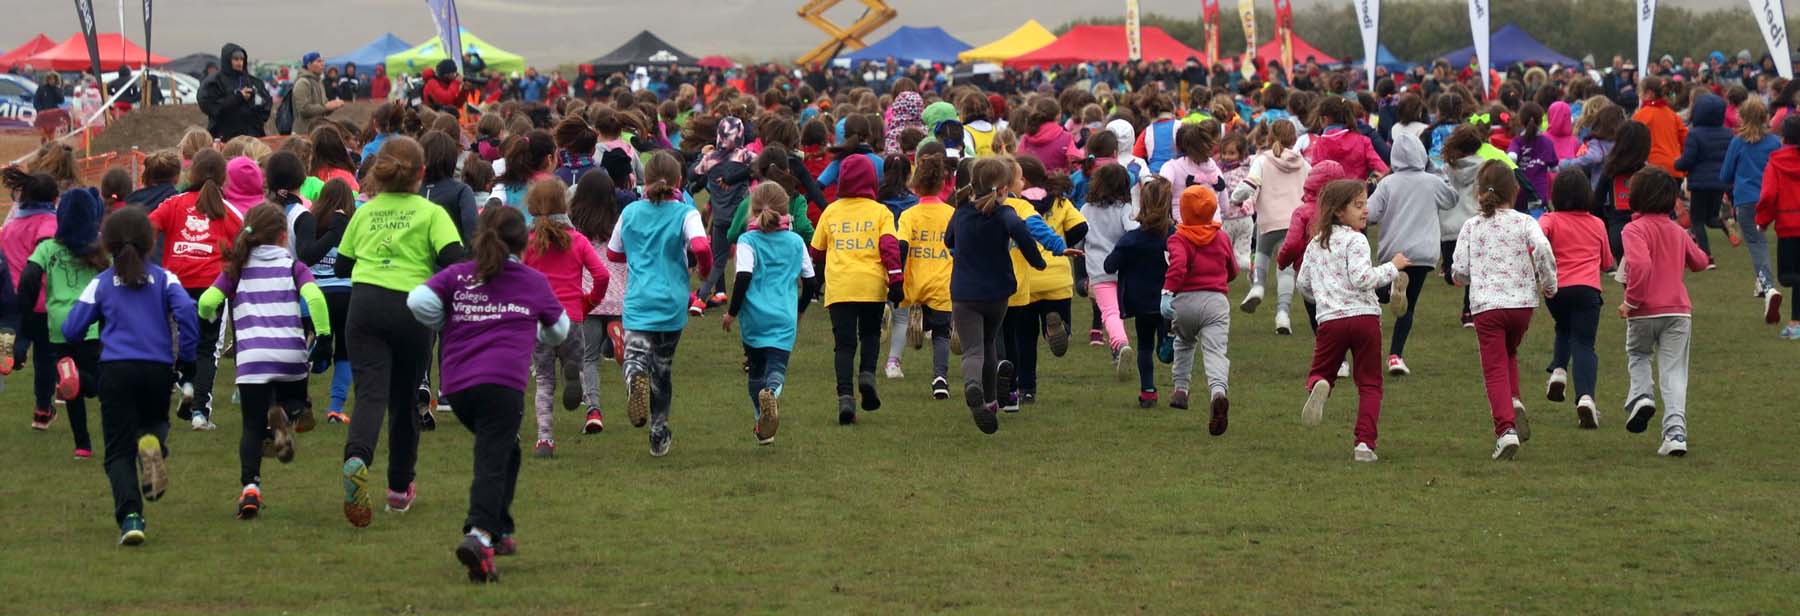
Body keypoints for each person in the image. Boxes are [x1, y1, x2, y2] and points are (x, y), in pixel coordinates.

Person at [408, 206, 566, 583]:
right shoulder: (531, 280)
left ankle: (500, 528)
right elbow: (558, 330)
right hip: (503, 385)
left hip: (458, 389)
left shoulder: (458, 275)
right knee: (492, 458)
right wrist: (534, 331)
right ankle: (479, 535)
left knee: (506, 451)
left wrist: (448, 319)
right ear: (523, 243)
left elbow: (416, 302)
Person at [335, 136, 467, 527]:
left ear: (378, 171)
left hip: (365, 306)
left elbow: (343, 266)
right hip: (413, 308)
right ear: (421, 173)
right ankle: (398, 489)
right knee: (406, 401)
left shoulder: (365, 212)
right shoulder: (431, 213)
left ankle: (357, 458)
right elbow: (454, 261)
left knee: (370, 395)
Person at [59, 208, 199, 546]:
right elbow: (186, 312)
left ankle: (131, 517)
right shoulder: (166, 278)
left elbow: (71, 328)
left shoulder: (102, 282)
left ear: (107, 245)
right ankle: (152, 445)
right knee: (153, 424)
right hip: (157, 369)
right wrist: (187, 360)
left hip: (116, 369)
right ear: (151, 243)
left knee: (118, 452)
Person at [196, 204, 332, 518]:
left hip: (252, 361)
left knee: (252, 428)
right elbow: (315, 297)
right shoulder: (293, 266)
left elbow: (206, 301)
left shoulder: (235, 270)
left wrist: (206, 317)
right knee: (298, 401)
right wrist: (323, 335)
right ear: (284, 236)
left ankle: (250, 490)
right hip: (290, 355)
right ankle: (286, 413)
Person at [605, 151, 712, 457]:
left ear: (642, 180)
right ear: (679, 180)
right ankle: (657, 431)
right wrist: (704, 271)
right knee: (662, 369)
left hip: (639, 298)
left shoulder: (631, 213)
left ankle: (635, 377)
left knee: (635, 358)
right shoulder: (685, 213)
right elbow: (701, 246)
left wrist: (638, 254)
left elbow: (614, 254)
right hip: (672, 301)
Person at [1451, 161, 1559, 461]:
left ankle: (1505, 429)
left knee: (1494, 366)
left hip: (1487, 307)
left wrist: (1467, 276)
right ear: (1514, 191)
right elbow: (1543, 249)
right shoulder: (1525, 222)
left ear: (1478, 191)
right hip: (1521, 306)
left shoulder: (1472, 226)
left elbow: (1458, 270)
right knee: (1509, 352)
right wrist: (1549, 283)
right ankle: (1513, 399)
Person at [1294, 180, 1406, 463]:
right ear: (1338, 211)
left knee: (1321, 371)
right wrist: (1393, 267)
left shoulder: (1315, 244)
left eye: (1365, 204)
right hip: (1364, 319)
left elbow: (1303, 284)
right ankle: (1364, 444)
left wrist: (1322, 296)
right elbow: (1362, 278)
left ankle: (1320, 384)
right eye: (1358, 205)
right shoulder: (1356, 240)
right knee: (1369, 383)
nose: (1365, 210)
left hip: (1330, 321)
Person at [946, 157, 1049, 433]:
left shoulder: (962, 212)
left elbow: (948, 240)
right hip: (997, 292)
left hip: (964, 292)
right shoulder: (1005, 214)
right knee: (990, 342)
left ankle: (972, 385)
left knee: (973, 349)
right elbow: (1023, 235)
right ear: (1004, 188)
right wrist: (1037, 261)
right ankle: (990, 402)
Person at [146, 149, 242, 429]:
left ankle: (181, 386)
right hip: (213, 287)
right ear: (224, 178)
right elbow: (245, 245)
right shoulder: (229, 211)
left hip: (175, 286)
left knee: (172, 343)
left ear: (192, 172)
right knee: (207, 347)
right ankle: (200, 413)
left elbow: (147, 227)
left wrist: (147, 261)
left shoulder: (173, 204)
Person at [1619, 168, 1709, 456]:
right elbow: (1700, 261)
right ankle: (1675, 433)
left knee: (1638, 355)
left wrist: (1631, 301)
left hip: (1643, 311)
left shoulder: (1633, 229)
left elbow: (1641, 266)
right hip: (1678, 312)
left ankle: (1643, 395)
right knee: (1674, 372)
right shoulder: (1677, 231)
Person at [810, 154, 902, 425]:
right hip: (871, 284)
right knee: (871, 334)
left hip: (839, 287)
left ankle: (845, 398)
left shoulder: (831, 211)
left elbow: (817, 251)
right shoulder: (880, 212)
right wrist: (896, 279)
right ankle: (867, 375)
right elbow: (889, 247)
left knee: (844, 344)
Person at [17, 188, 107, 460]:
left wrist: (26, 311)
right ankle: (83, 382)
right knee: (98, 382)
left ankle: (83, 445)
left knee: (72, 392)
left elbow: (28, 279)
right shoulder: (100, 250)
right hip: (90, 325)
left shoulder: (48, 248)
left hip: (58, 327)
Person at [724, 183, 818, 445]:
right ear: (784, 209)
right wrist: (800, 310)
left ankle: (761, 423)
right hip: (784, 316)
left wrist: (731, 313)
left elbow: (743, 277)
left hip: (754, 317)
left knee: (755, 370)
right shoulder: (796, 241)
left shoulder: (747, 240)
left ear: (752, 210)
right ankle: (772, 393)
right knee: (777, 368)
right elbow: (811, 283)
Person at [521, 179, 607, 457]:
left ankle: (545, 439)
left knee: (544, 381)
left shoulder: (528, 242)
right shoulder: (578, 240)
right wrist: (590, 301)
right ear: (565, 204)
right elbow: (602, 275)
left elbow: (515, 278)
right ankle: (575, 380)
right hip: (571, 316)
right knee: (579, 363)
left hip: (540, 320)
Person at [1368, 133, 1456, 375]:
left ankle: (1385, 291)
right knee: (1409, 307)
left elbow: (1371, 213)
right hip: (1423, 253)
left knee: (1383, 290)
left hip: (1394, 251)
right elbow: (1451, 200)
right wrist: (1437, 172)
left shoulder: (1388, 183)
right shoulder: (1432, 182)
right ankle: (1396, 356)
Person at [1538, 169, 1612, 428]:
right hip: (1587, 290)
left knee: (1563, 327)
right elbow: (1607, 262)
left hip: (1557, 289)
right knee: (1584, 343)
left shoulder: (1549, 220)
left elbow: (1534, 243)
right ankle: (1586, 398)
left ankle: (1559, 371)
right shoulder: (1597, 224)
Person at [1161, 185, 1235, 431]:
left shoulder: (1178, 238)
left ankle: (1181, 389)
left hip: (1185, 301)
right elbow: (1232, 268)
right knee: (1215, 351)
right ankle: (1217, 392)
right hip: (1215, 301)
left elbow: (1179, 265)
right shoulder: (1221, 237)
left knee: (1183, 343)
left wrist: (1167, 292)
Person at [1105, 177, 1176, 407]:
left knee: (1144, 347)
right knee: (1164, 338)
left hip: (1140, 301)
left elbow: (1109, 265)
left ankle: (1148, 391)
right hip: (1169, 299)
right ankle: (1167, 341)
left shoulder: (1132, 239)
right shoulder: (1175, 237)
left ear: (1142, 204)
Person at [1234, 120, 1310, 334]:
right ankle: (1283, 315)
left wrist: (1235, 197)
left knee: (1262, 254)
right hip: (1295, 223)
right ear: (1294, 139)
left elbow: (1251, 183)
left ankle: (1258, 286)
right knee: (1285, 269)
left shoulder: (1262, 160)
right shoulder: (1303, 164)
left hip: (1268, 221)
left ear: (1269, 138)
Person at [895, 145, 956, 399]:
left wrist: (895, 277)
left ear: (915, 184)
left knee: (917, 323)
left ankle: (917, 323)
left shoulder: (909, 215)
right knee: (942, 335)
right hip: (943, 282)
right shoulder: (952, 214)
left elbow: (902, 246)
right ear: (943, 183)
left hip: (915, 283)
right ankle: (940, 377)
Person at [2, 170, 61, 428]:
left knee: (19, 337)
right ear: (55, 197)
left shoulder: (9, 227)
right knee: (45, 358)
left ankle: (12, 352)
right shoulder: (50, 224)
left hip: (11, 300)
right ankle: (42, 409)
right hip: (42, 300)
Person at [569, 170, 626, 417]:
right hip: (618, 294)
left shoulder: (575, 226)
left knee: (589, 358)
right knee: (621, 350)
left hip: (590, 295)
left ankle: (593, 410)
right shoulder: (618, 222)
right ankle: (614, 342)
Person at [1722, 100, 1784, 321]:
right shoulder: (1775, 143)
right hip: (1773, 198)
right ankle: (1761, 283)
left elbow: (1725, 174)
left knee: (1757, 244)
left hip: (1747, 199)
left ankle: (1768, 287)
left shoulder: (1738, 143)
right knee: (1766, 240)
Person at [303, 179, 356, 424]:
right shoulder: (353, 224)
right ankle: (335, 408)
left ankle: (301, 400)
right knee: (345, 352)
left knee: (310, 343)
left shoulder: (310, 222)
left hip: (315, 295)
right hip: (346, 295)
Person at [688, 117, 756, 308]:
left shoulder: (711, 159)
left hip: (720, 218)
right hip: (743, 218)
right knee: (750, 259)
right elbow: (763, 165)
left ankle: (700, 300)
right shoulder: (745, 157)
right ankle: (749, 298)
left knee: (718, 263)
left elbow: (692, 175)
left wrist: (702, 156)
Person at [1081, 163, 1138, 363]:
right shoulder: (1125, 208)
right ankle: (1119, 349)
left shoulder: (1086, 209)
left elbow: (1079, 236)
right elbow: (1133, 232)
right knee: (1118, 311)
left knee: (1109, 312)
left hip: (1098, 269)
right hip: (1123, 267)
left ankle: (1120, 344)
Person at [1755, 115, 1800, 339]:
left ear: (1783, 137)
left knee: (1788, 276)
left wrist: (1763, 221)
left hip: (1789, 226)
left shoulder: (1776, 163)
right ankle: (1795, 321)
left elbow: (1768, 194)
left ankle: (1795, 323)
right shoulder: (1776, 161)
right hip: (1789, 224)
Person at [1675, 93, 1733, 262]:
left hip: (1700, 183)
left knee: (1697, 219)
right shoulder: (1727, 133)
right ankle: (1727, 225)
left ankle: (1706, 255)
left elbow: (1688, 159)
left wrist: (1677, 164)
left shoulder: (1695, 134)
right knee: (1711, 217)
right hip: (1719, 182)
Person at [197, 43, 272, 141]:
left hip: (251, 137)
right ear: (227, 60)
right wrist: (238, 98)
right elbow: (209, 105)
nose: (239, 62)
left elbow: (266, 104)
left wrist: (254, 100)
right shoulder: (215, 81)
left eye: (242, 59)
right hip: (225, 136)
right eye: (236, 59)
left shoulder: (253, 81)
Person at [1507, 103, 1558, 216]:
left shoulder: (1517, 141)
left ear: (1520, 120)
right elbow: (1554, 168)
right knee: (1537, 230)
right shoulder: (1547, 143)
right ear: (1541, 121)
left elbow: (1511, 157)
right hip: (1538, 194)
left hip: (1519, 194)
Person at [1633, 76, 1688, 178]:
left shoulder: (1640, 115)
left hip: (1652, 171)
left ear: (1649, 94)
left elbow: (1632, 144)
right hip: (1674, 169)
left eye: (1640, 92)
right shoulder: (1673, 115)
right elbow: (1687, 140)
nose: (1639, 95)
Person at [292, 53, 346, 136]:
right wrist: (326, 107)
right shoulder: (302, 82)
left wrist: (333, 106)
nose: (322, 64)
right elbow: (303, 110)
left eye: (322, 61)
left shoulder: (319, 82)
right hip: (303, 133)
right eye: (318, 61)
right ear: (309, 65)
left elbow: (322, 109)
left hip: (317, 132)